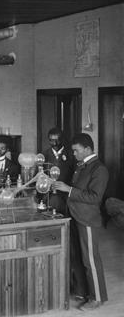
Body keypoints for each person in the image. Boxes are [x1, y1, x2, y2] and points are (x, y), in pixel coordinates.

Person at [52, 133, 108, 311]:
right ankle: (82, 292)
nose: (74, 153)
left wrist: (68, 189)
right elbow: (75, 191)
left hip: (88, 219)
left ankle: (97, 298)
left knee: (90, 260)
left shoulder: (99, 169)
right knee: (77, 257)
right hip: (75, 216)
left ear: (88, 149)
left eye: (76, 150)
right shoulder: (81, 166)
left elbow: (94, 197)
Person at [42, 127, 74, 214]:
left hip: (66, 197)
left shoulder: (72, 155)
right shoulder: (43, 155)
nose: (54, 143)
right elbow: (38, 177)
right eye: (51, 140)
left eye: (57, 140)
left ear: (62, 139)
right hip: (49, 196)